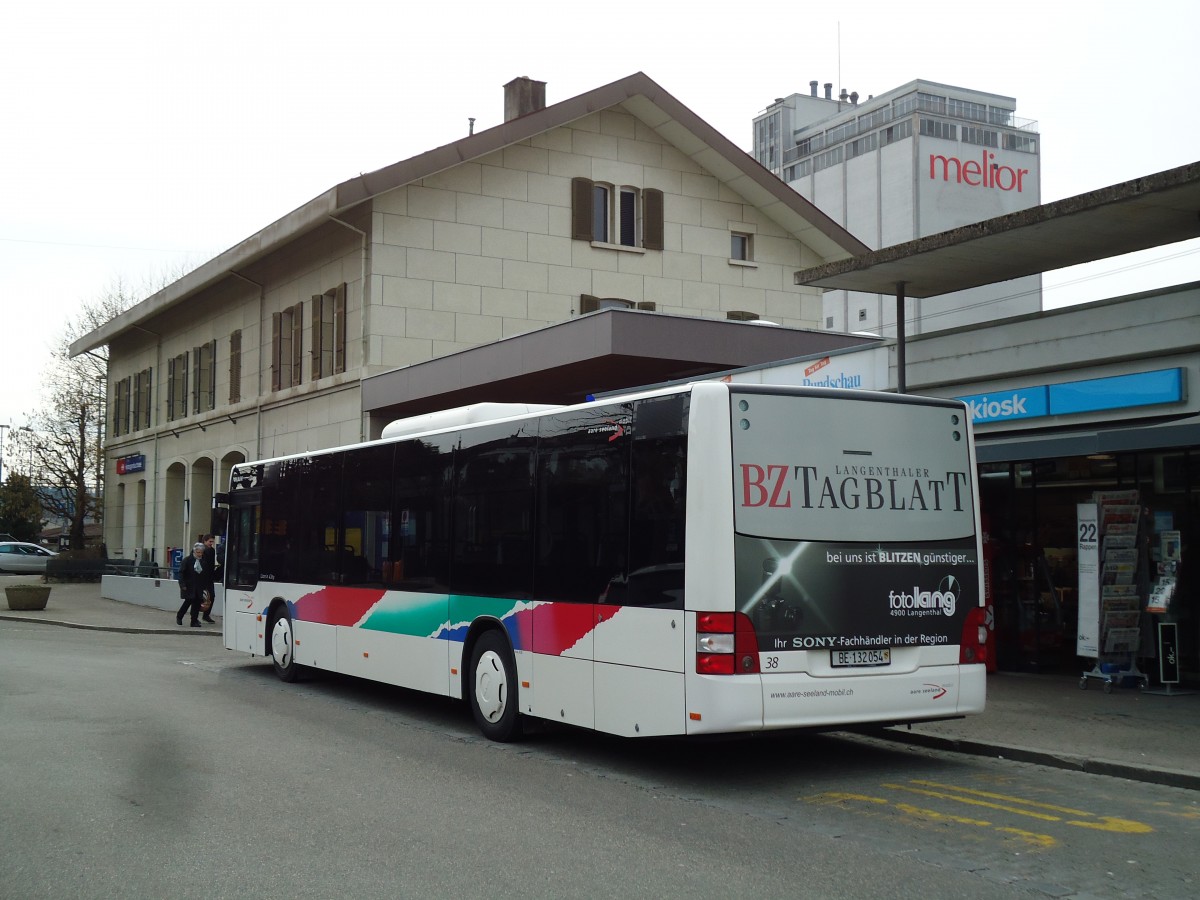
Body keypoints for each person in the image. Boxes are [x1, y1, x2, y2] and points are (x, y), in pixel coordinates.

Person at [176, 542, 211, 627]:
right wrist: (182, 584)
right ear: (194, 551)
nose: (200, 554)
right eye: (198, 552)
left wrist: (205, 586)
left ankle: (194, 620)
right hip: (189, 585)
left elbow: (205, 574)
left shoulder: (203, 562)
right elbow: (181, 573)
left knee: (197, 603)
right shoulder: (187, 560)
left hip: (199, 586)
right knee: (188, 602)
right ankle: (179, 616)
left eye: (201, 552)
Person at [200, 534, 219, 623]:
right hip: (201, 577)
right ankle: (195, 616)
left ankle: (206, 615)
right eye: (210, 541)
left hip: (209, 578)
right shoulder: (201, 551)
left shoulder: (212, 551)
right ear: (204, 541)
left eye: (212, 542)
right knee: (199, 597)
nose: (211, 543)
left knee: (211, 596)